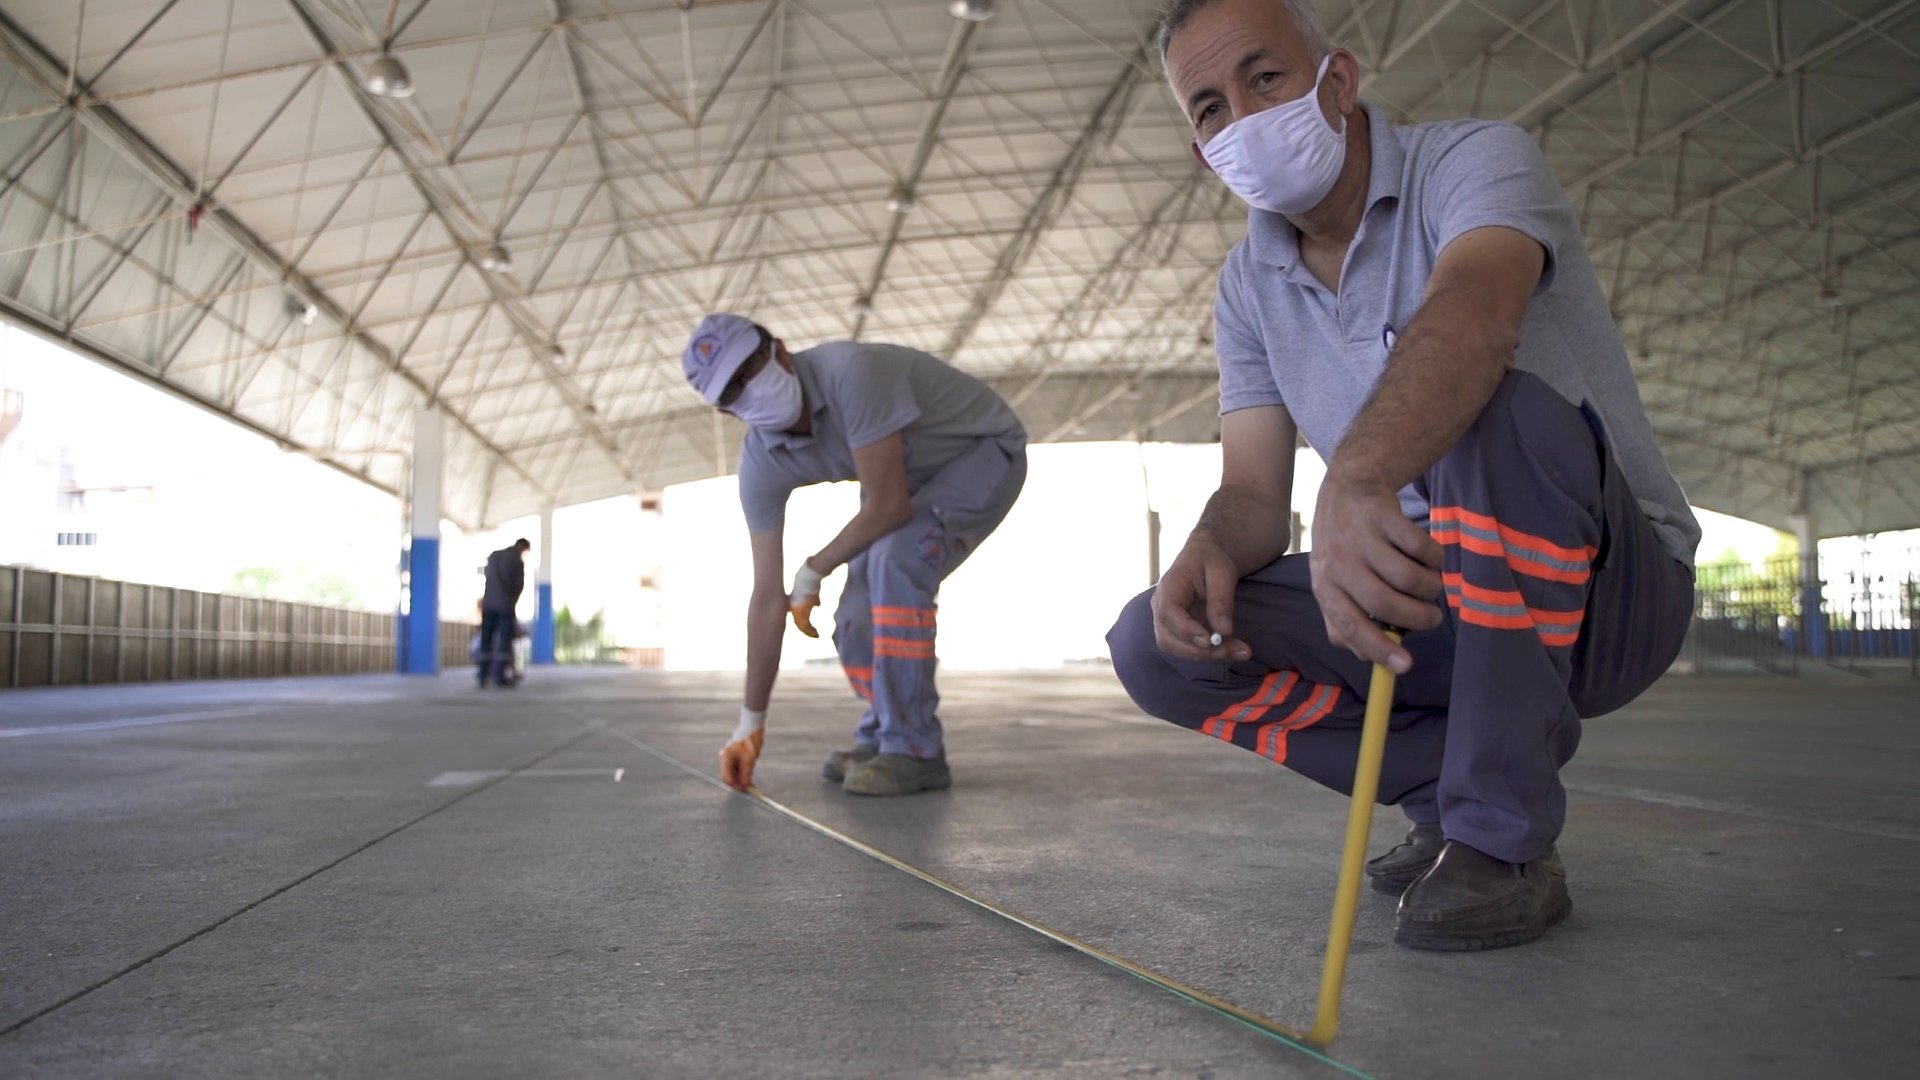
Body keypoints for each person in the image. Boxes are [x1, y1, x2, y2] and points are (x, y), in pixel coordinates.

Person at [1106, 0, 1701, 951]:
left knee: (1491, 407)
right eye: (1211, 107)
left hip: (1603, 595)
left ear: (1336, 83)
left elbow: (1477, 313)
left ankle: (1500, 837)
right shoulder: (1247, 286)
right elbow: (1256, 493)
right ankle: (1446, 794)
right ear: (1202, 153)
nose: (1246, 118)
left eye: (1266, 78)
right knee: (1157, 642)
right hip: (1435, 599)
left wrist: (1358, 478)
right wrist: (1212, 546)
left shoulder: (1472, 163)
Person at [682, 313, 1028, 797]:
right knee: (854, 617)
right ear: (724, 411)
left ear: (779, 350)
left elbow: (888, 507)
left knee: (896, 560)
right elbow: (765, 598)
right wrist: (749, 723)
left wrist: (813, 569)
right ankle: (886, 731)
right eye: (732, 390)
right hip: (904, 481)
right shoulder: (762, 462)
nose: (748, 390)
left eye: (750, 370)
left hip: (983, 451)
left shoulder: (852, 373)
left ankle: (914, 749)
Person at [479, 539, 529, 688]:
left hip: (488, 605)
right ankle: (499, 676)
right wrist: (512, 602)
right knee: (504, 641)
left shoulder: (494, 556)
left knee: (486, 639)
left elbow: (487, 578)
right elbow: (518, 586)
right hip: (505, 606)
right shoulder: (517, 561)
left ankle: (482, 675)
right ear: (522, 547)